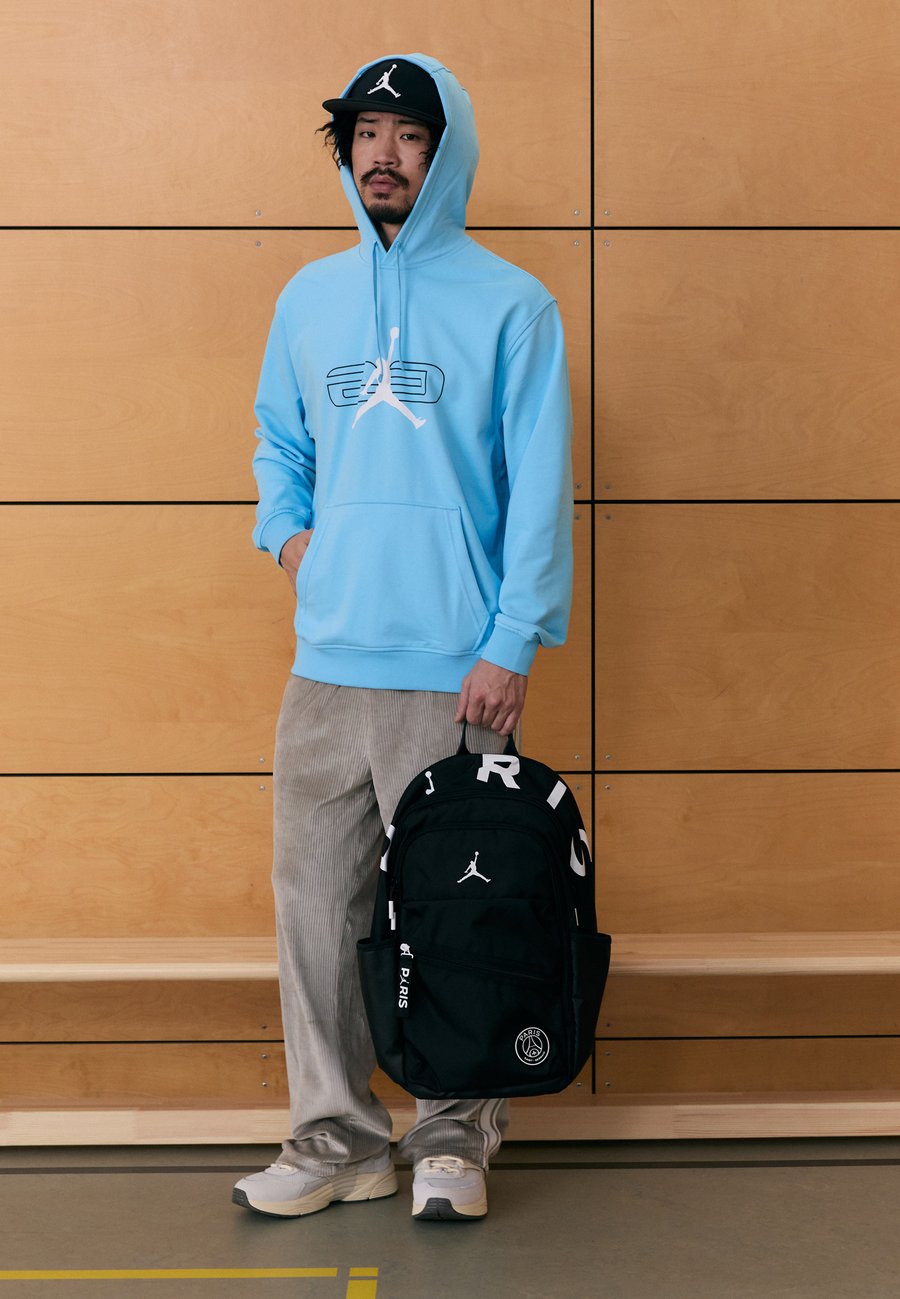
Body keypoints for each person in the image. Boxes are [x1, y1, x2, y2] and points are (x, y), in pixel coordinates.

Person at [233, 53, 574, 1223]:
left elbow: (539, 487)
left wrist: (512, 642)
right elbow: (278, 441)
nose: (383, 154)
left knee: (458, 916)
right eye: (366, 133)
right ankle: (336, 1140)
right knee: (315, 915)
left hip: (454, 669)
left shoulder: (514, 304)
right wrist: (292, 541)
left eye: (410, 135)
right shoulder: (309, 299)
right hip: (326, 664)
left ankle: (453, 1139)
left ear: (447, 152)